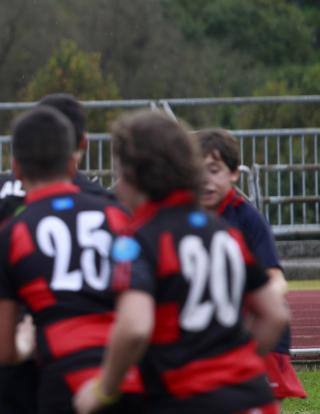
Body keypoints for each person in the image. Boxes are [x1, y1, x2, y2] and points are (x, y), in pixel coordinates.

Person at [74, 111, 289, 413]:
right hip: (250, 398)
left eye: (119, 175)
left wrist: (103, 389)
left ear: (135, 176)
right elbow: (275, 314)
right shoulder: (224, 232)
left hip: (185, 398)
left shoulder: (139, 240)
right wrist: (237, 366)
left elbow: (135, 326)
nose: (117, 186)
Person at [0, 107, 141, 413]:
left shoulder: (10, 234)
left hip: (64, 380)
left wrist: (25, 342)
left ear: (16, 168)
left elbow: (2, 351)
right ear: (72, 164)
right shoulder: (117, 216)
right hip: (128, 377)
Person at [196, 128, 306, 403]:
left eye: (214, 170)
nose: (205, 181)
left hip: (258, 335)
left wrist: (256, 303)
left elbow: (275, 278)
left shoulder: (247, 219)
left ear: (234, 173)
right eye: (196, 171)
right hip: (210, 335)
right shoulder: (183, 218)